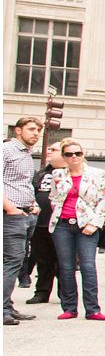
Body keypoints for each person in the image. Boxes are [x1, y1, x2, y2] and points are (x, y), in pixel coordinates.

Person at [47, 141, 105, 321]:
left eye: (77, 153)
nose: (73, 157)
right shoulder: (58, 174)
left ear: (83, 154)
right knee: (66, 267)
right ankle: (69, 308)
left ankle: (92, 309)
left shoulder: (97, 173)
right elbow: (53, 197)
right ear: (64, 156)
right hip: (62, 224)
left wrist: (95, 223)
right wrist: (57, 211)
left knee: (87, 266)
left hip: (87, 224)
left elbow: (103, 200)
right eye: (68, 154)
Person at [3, 116, 43, 326]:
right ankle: (2, 309)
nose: (36, 133)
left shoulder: (26, 154)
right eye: (31, 129)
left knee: (16, 261)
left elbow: (25, 184)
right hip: (11, 215)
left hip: (26, 214)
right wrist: (9, 207)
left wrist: (34, 204)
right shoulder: (6, 150)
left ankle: (7, 306)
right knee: (11, 261)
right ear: (17, 130)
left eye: (38, 130)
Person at [22, 142, 64, 306]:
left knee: (63, 261)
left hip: (62, 224)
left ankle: (65, 293)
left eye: (54, 150)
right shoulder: (41, 173)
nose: (49, 152)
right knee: (43, 259)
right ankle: (42, 292)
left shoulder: (71, 173)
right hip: (40, 223)